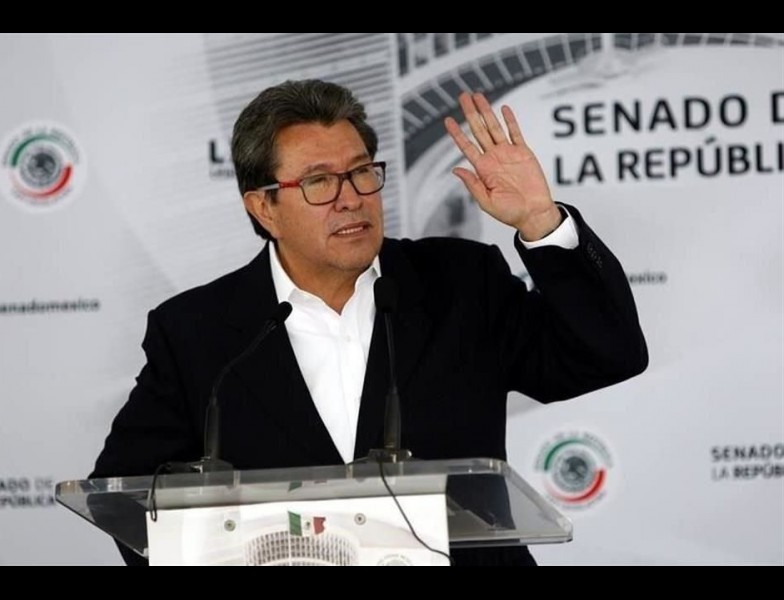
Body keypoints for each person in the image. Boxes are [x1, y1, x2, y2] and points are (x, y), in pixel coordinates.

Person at [91, 79, 648, 566]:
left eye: (361, 172)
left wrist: (541, 221)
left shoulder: (460, 282)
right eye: (318, 182)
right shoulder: (198, 331)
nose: (351, 199)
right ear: (263, 207)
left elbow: (607, 352)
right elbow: (127, 498)